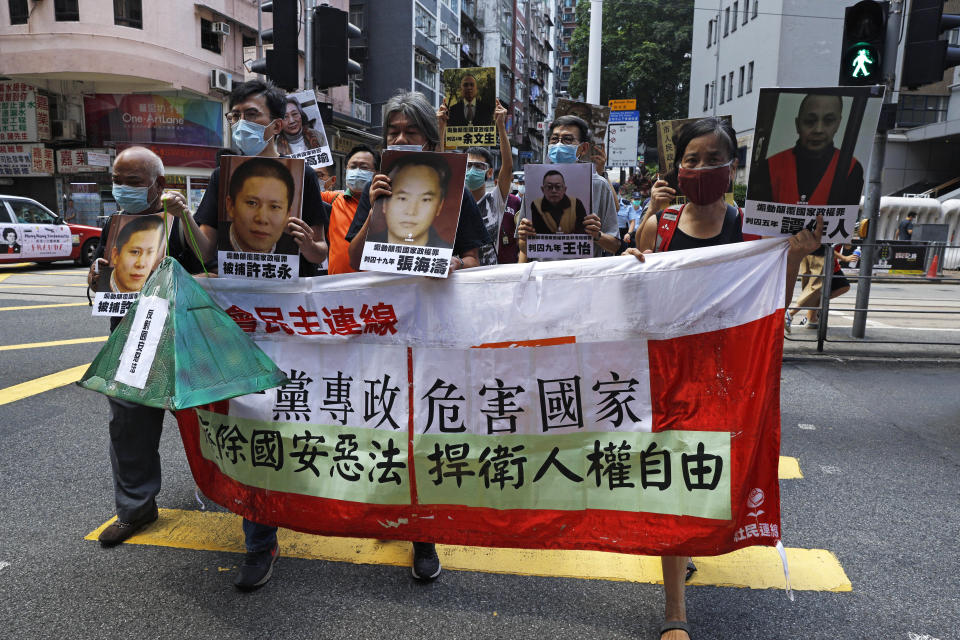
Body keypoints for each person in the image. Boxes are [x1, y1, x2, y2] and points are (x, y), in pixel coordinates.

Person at [627, 117, 822, 640]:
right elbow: (637, 303)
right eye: (691, 159)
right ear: (677, 166)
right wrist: (629, 264)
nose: (702, 168)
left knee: (711, 473)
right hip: (668, 375)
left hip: (729, 379)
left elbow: (771, 307)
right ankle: (676, 613)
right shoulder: (658, 226)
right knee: (671, 479)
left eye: (714, 158)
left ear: (732, 168)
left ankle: (689, 542)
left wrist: (796, 255)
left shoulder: (753, 231)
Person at [184, 79, 331, 591]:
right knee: (250, 421)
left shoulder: (305, 179)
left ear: (273, 123)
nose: (240, 124)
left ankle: (308, 504)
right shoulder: (221, 176)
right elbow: (205, 248)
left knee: (288, 421)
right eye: (235, 114)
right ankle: (259, 540)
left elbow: (320, 255)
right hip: (238, 323)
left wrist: (312, 247)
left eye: (250, 113)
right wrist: (180, 217)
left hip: (290, 324)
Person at [345, 90, 490, 582]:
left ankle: (424, 535)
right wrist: (375, 208)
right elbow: (355, 257)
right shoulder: (376, 192)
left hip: (434, 331)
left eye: (410, 132)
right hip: (384, 328)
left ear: (429, 139)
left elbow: (475, 256)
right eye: (393, 132)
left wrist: (456, 264)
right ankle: (390, 508)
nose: (401, 139)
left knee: (424, 429)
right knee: (386, 422)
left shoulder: (456, 195)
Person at [84, 146, 196, 554]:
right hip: (132, 342)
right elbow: (104, 291)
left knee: (211, 425)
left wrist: (184, 219)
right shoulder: (115, 224)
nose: (123, 189)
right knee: (128, 427)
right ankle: (135, 509)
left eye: (134, 182)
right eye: (118, 180)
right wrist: (96, 278)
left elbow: (206, 268)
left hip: (183, 342)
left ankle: (242, 503)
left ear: (159, 184)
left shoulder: (179, 224)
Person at [516, 114, 620, 262]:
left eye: (567, 139)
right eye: (554, 139)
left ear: (583, 148)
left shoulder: (599, 185)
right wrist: (524, 237)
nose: (559, 145)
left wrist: (597, 235)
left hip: (583, 279)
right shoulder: (535, 183)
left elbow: (615, 245)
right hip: (545, 278)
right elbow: (524, 247)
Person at [439, 98, 512, 265]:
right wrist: (441, 128)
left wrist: (501, 125)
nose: (472, 170)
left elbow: (507, 166)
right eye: (468, 165)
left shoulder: (496, 200)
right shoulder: (453, 201)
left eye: (479, 166)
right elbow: (440, 164)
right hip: (459, 274)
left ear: (489, 172)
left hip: (489, 278)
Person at [755, 93, 864, 205]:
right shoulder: (769, 167)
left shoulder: (851, 168)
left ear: (838, 124)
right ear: (797, 125)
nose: (818, 130)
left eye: (828, 121)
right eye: (810, 121)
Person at [367, 153, 453, 249]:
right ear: (384, 203)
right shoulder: (368, 247)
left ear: (439, 206)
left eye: (425, 200)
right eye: (402, 198)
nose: (411, 211)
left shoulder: (446, 253)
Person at [224, 157, 298, 254]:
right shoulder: (214, 243)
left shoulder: (294, 247)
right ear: (230, 206)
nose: (262, 219)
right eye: (252, 203)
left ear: (287, 215)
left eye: (274, 207)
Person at [327, 145, 378, 275]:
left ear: (376, 173)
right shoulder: (333, 200)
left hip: (373, 287)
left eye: (364, 167)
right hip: (336, 287)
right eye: (353, 167)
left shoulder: (384, 205)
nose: (357, 171)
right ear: (346, 170)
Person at [786, 244, 851, 331]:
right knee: (815, 289)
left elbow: (847, 246)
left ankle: (811, 318)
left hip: (813, 253)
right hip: (821, 256)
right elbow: (825, 246)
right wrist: (844, 258)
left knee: (815, 289)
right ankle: (790, 313)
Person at [105, 215, 165, 293]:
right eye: (135, 252)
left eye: (150, 253)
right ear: (115, 255)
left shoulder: (159, 287)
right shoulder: (102, 281)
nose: (141, 264)